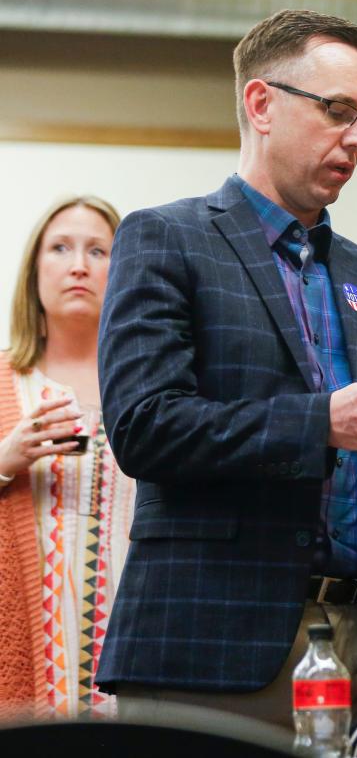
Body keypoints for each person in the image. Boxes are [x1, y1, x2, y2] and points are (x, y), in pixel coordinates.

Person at [95, 9, 357, 727]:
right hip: (210, 640)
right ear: (261, 104)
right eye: (337, 111)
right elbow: (144, 427)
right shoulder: (165, 239)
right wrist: (321, 423)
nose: (355, 139)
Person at [0, 196, 132, 719]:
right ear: (35, 268)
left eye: (98, 251)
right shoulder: (5, 384)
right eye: (61, 248)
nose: (79, 265)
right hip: (27, 644)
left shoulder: (154, 387)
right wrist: (5, 458)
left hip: (133, 646)